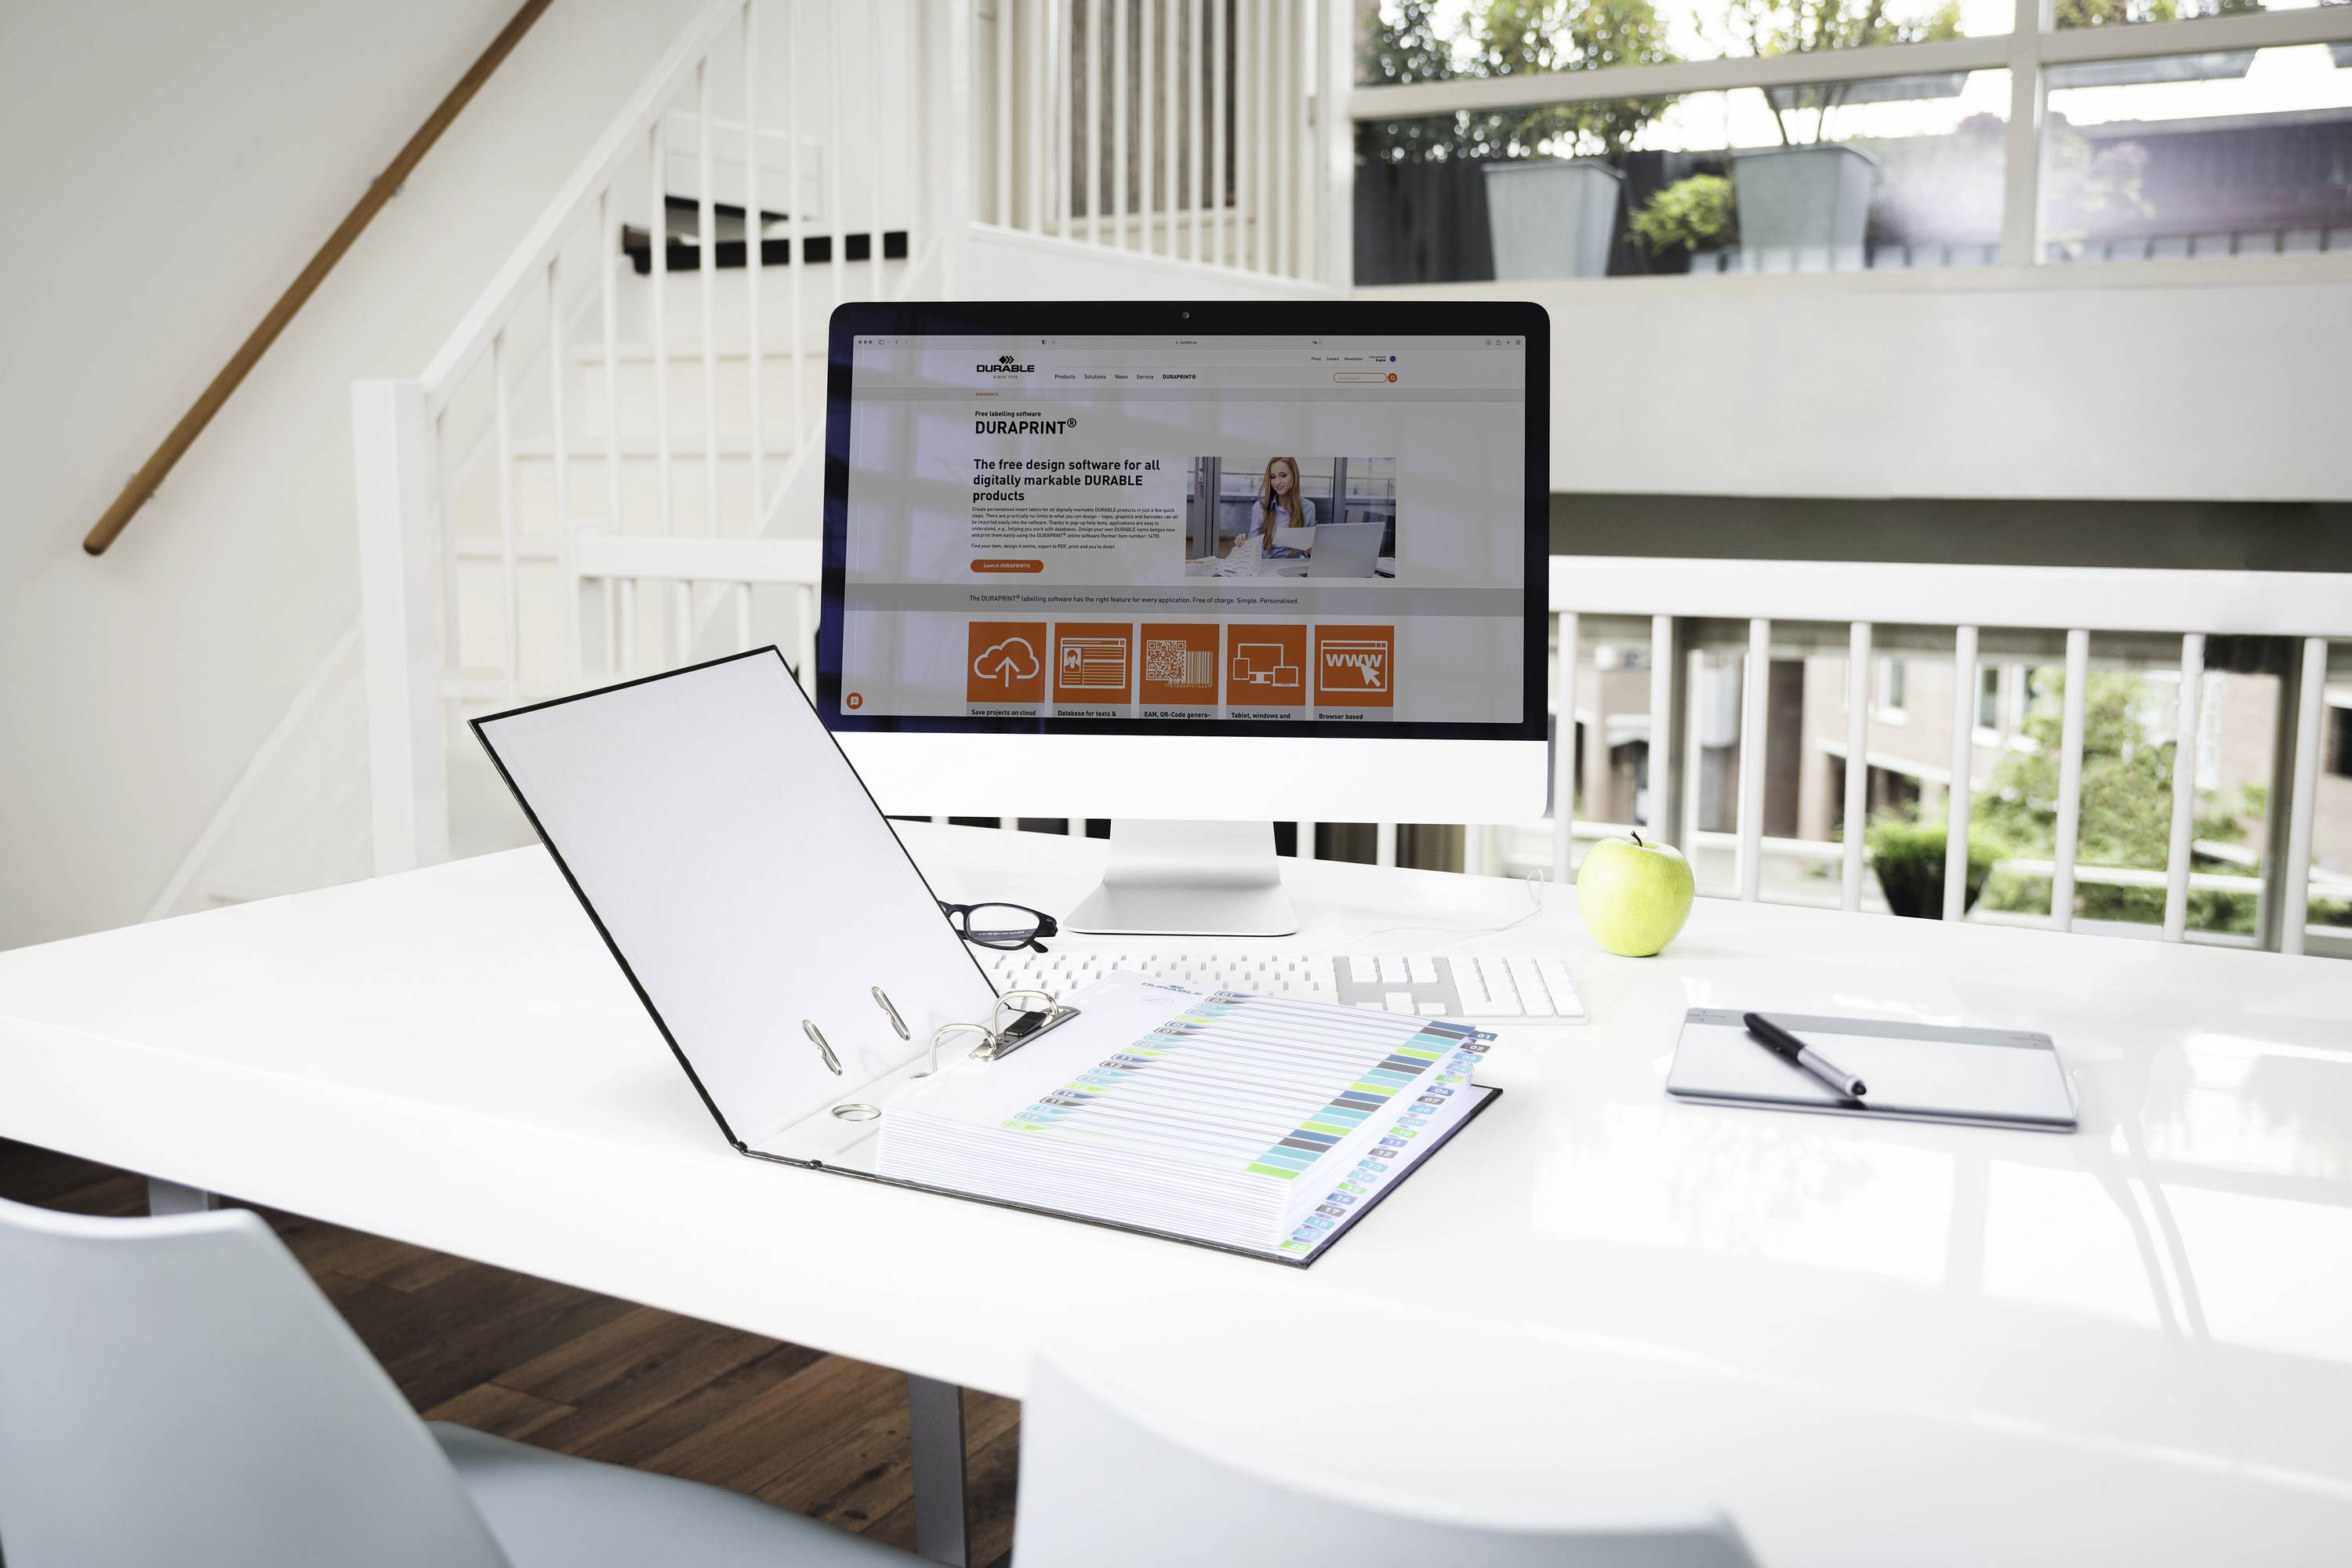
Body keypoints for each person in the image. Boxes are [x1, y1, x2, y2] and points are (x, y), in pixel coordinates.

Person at [1217, 456, 1316, 577]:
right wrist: (1242, 543)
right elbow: (1252, 549)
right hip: (1266, 570)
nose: (1277, 482)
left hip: (1294, 571)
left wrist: (1312, 550)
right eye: (1273, 477)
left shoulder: (1309, 508)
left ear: (1294, 475)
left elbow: (1308, 552)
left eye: (1283, 475)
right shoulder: (1259, 508)